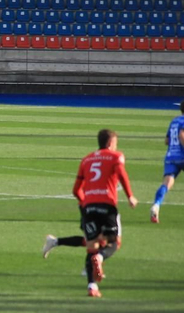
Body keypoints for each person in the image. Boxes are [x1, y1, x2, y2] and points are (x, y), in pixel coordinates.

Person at [41, 128, 136, 298]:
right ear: (110, 143)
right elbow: (122, 174)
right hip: (107, 205)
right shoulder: (116, 157)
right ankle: (98, 259)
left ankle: (92, 286)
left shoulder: (87, 159)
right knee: (114, 244)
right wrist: (130, 196)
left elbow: (76, 190)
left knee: (91, 246)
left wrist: (85, 205)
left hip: (89, 206)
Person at [149, 99, 184, 223]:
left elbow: (167, 141)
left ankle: (156, 205)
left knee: (167, 183)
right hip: (183, 157)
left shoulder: (174, 121)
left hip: (170, 156)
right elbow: (182, 135)